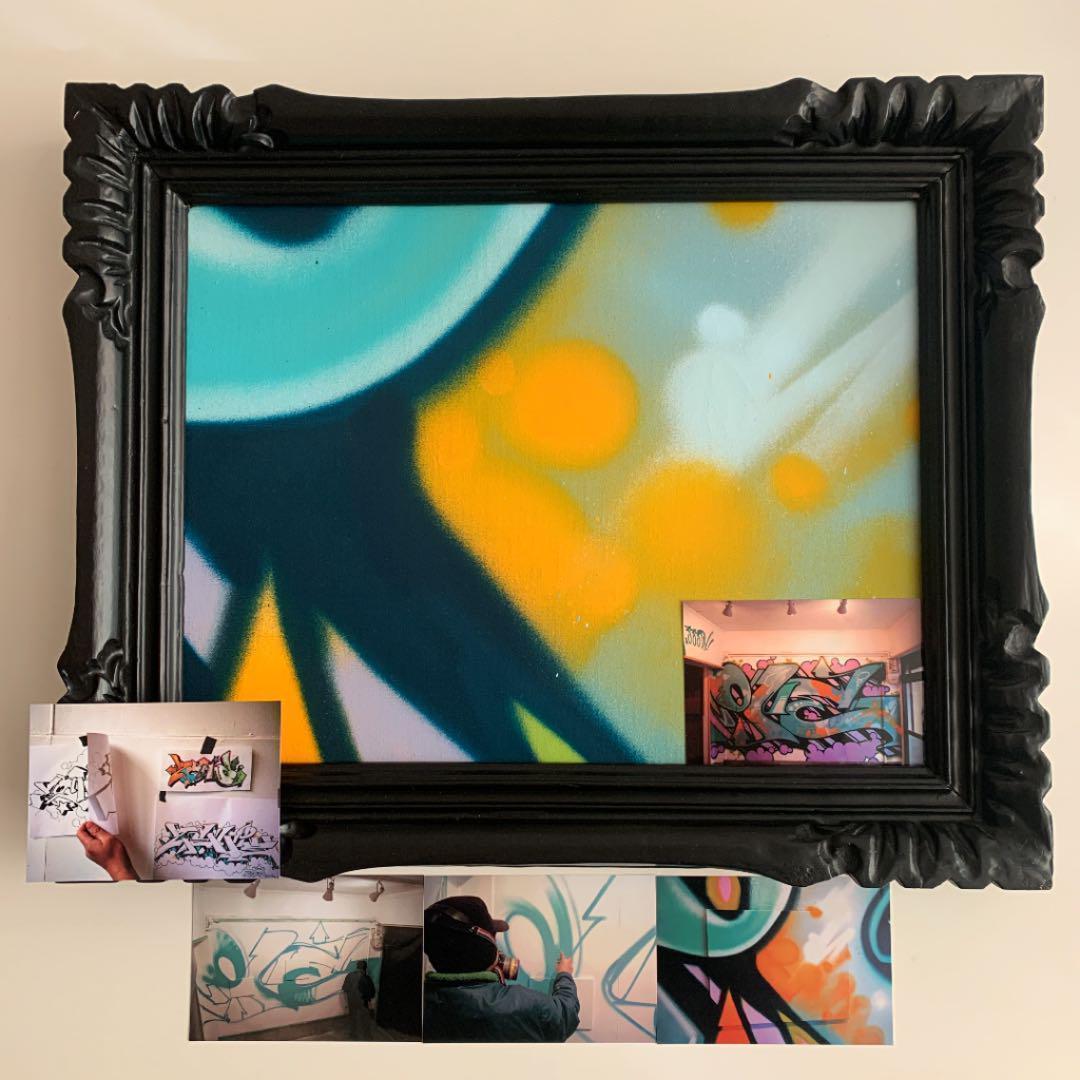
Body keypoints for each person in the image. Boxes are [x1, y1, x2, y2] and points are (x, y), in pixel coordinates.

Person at [423, 895, 580, 1043]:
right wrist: (564, 973)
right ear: (483, 947)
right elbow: (565, 1015)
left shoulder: (423, 1003)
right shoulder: (524, 1005)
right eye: (494, 936)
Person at [342, 959, 377, 1039]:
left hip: (352, 1001)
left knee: (353, 1018)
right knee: (365, 1019)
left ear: (357, 967)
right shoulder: (367, 978)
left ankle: (353, 1035)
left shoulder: (349, 975)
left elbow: (345, 989)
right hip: (363, 1002)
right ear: (365, 968)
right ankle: (367, 1035)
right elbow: (372, 993)